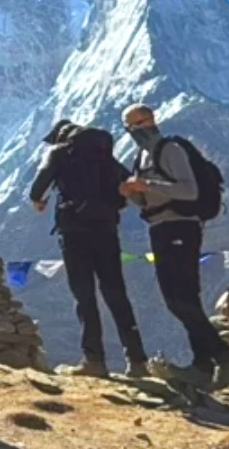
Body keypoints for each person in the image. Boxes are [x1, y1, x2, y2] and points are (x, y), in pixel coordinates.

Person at [119, 104, 229, 383]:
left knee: (178, 299)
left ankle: (225, 358)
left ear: (152, 120)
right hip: (159, 227)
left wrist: (147, 185)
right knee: (183, 299)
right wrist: (132, 193)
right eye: (130, 127)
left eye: (139, 123)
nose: (135, 130)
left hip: (181, 226)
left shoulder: (170, 150)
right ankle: (203, 365)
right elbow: (147, 199)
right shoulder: (141, 157)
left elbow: (188, 190)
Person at [29, 119, 148, 378]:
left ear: (61, 137)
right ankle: (138, 361)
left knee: (85, 296)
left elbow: (37, 189)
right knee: (117, 295)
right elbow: (129, 182)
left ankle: (94, 360)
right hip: (107, 230)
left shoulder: (58, 153)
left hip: (74, 232)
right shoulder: (105, 155)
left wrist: (39, 201)